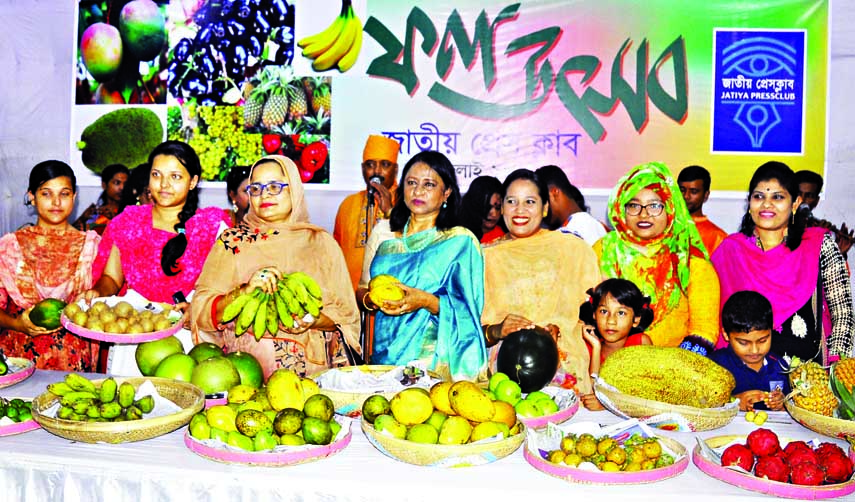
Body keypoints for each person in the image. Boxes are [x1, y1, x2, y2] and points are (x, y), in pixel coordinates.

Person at [192, 156, 361, 378]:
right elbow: (201, 309)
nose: (264, 195)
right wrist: (242, 293)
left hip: (312, 380)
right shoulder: (232, 242)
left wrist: (316, 320)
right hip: (243, 377)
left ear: (294, 189)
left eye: (274, 187)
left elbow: (348, 316)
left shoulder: (320, 243)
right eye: (256, 188)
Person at [79, 141, 231, 373]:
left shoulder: (210, 227)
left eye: (176, 177)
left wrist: (196, 307)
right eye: (157, 175)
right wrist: (98, 292)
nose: (164, 184)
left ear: (193, 182)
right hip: (134, 331)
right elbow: (112, 277)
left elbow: (226, 288)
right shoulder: (127, 222)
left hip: (190, 337)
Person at [711, 161, 854, 364]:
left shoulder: (819, 246)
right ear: (749, 203)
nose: (766, 204)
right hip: (743, 379)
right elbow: (710, 317)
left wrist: (836, 369)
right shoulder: (730, 251)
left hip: (809, 380)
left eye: (777, 197)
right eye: (759, 196)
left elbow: (843, 314)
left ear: (795, 203)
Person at [363, 150, 486, 381]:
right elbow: (364, 291)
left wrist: (425, 301)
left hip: (430, 359)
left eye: (429, 184)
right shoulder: (387, 242)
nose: (418, 191)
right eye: (411, 182)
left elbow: (469, 309)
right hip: (384, 356)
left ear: (446, 193)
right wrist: (371, 300)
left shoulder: (459, 242)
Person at [482, 169, 599, 393]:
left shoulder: (573, 249)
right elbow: (465, 330)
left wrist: (561, 330)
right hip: (503, 375)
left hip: (565, 368)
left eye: (530, 201)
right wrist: (498, 330)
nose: (520, 210)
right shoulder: (483, 257)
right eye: (511, 201)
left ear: (545, 208)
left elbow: (594, 315)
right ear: (502, 208)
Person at [594, 161, 720, 353]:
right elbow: (583, 313)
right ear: (621, 209)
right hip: (607, 364)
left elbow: (704, 330)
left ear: (670, 209)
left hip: (673, 370)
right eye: (634, 205)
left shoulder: (690, 262)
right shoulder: (604, 251)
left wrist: (667, 368)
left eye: (654, 206)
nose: (644, 214)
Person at [0, 161, 100, 371]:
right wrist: (18, 324)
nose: (56, 202)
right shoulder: (9, 247)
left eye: (64, 194)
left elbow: (104, 304)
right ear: (31, 196)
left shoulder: (92, 246)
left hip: (74, 360)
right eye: (46, 194)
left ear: (74, 197)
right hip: (18, 359)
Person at [333, 135, 400, 290]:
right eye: (370, 165)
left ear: (395, 170)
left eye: (385, 164)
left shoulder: (407, 203)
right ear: (363, 169)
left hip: (391, 299)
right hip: (350, 298)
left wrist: (390, 210)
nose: (377, 171)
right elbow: (336, 254)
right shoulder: (348, 204)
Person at [578, 278, 653, 410]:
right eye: (604, 311)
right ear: (594, 314)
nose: (611, 321)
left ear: (635, 319)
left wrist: (607, 405)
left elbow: (646, 390)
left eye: (621, 313)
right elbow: (592, 390)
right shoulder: (589, 345)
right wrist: (596, 348)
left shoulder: (641, 343)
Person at [711, 291, 789, 412]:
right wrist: (733, 402)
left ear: (771, 330)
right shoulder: (715, 366)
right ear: (726, 334)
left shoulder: (780, 367)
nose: (754, 350)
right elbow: (700, 405)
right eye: (743, 343)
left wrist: (782, 404)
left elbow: (794, 409)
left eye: (762, 340)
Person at [536, 164, 606, 245]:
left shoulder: (577, 227)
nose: (539, 210)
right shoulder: (593, 224)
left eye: (542, 201)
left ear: (554, 193)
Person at [795, 169, 853, 258]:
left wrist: (837, 254)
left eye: (809, 196)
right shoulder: (773, 227)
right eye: (798, 194)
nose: (802, 200)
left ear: (816, 201)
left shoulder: (819, 230)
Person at [677, 165, 728, 254]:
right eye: (682, 190)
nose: (686, 196)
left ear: (706, 195)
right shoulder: (663, 228)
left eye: (694, 191)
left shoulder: (718, 237)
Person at [73, 163, 130, 234]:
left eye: (126, 184)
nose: (122, 188)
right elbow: (69, 234)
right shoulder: (94, 212)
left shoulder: (132, 212)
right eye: (116, 183)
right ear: (104, 185)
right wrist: (83, 218)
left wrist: (94, 228)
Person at [460, 175, 505, 243]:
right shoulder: (457, 234)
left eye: (498, 207)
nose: (493, 213)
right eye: (487, 207)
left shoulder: (504, 237)